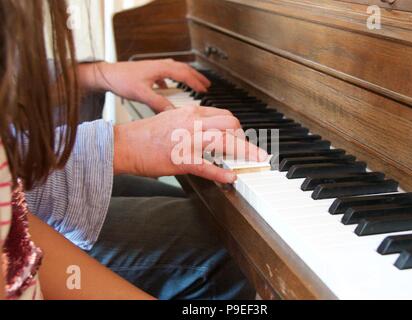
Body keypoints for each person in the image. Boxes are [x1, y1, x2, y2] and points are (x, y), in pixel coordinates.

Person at [1, 0, 266, 300]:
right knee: (232, 246)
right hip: (22, 209)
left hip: (22, 200)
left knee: (208, 210)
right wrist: (122, 146)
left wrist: (94, 74)